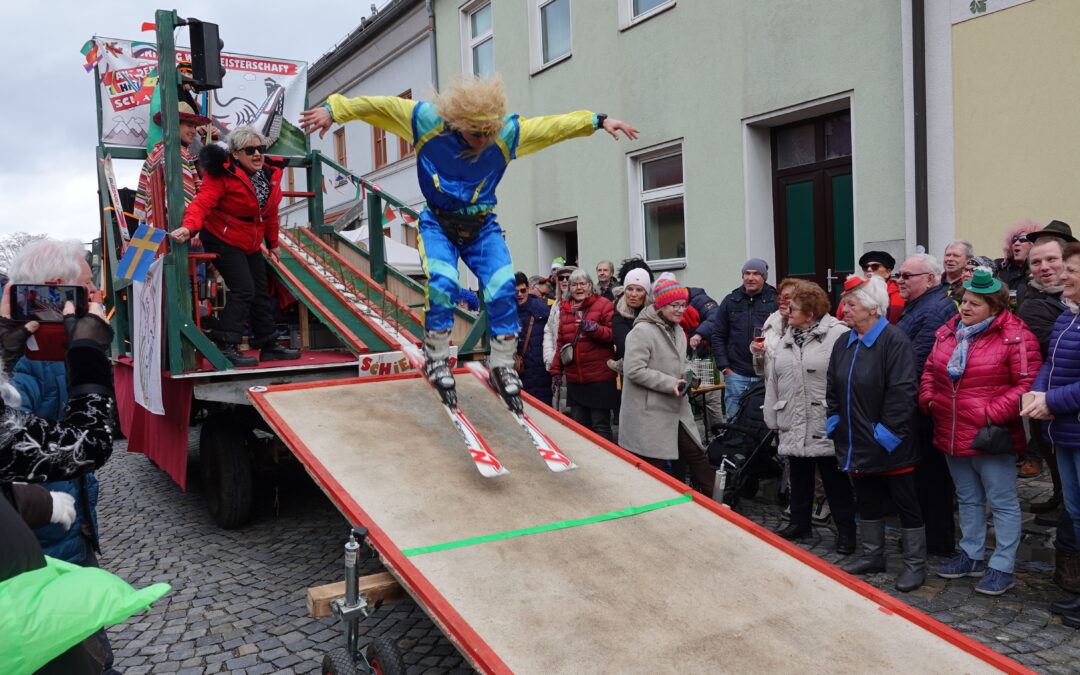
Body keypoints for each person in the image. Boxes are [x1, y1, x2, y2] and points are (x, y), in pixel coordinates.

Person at [299, 76, 638, 413]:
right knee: (444, 281)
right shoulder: (427, 121)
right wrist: (334, 110)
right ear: (458, 124)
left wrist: (597, 121)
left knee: (503, 285)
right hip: (438, 224)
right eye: (476, 134)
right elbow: (379, 107)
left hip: (481, 226)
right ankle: (436, 357)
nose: (483, 140)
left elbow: (552, 127)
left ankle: (502, 364)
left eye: (489, 133)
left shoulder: (505, 133)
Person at [0, 296, 120, 673]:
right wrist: (88, 352)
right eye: (82, 292)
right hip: (37, 562)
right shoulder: (31, 366)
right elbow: (88, 444)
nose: (93, 300)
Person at [920, 270, 1040, 595]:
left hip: (991, 434)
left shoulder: (1015, 335)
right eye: (964, 302)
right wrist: (929, 399)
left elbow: (1027, 384)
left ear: (995, 307)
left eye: (975, 303)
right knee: (968, 498)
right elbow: (930, 369)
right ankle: (971, 555)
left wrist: (989, 413)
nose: (965, 308)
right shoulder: (949, 331)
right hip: (950, 427)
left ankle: (1002, 565)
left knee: (1002, 502)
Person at [827, 275, 925, 592]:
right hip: (855, 438)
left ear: (872, 308)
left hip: (889, 443)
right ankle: (872, 556)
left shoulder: (894, 341)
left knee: (906, 502)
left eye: (851, 304)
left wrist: (886, 434)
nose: (844, 309)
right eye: (845, 304)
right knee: (866, 499)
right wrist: (834, 420)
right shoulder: (844, 341)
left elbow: (903, 392)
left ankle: (915, 565)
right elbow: (832, 387)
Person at [170, 126, 299, 367]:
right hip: (222, 236)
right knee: (244, 289)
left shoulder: (270, 174)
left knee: (260, 290)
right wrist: (189, 227)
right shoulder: (222, 174)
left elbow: (270, 213)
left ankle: (268, 344)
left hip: (250, 240)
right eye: (250, 150)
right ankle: (225, 344)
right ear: (236, 154)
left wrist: (273, 243)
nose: (257, 154)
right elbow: (202, 203)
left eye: (260, 149)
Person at [764, 283, 855, 553]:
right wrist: (773, 418)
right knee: (799, 476)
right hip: (793, 416)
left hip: (825, 419)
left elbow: (847, 378)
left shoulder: (838, 334)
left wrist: (843, 416)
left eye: (793, 308)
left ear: (810, 314)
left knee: (834, 480)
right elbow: (774, 379)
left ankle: (846, 532)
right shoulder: (788, 335)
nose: (787, 311)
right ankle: (799, 523)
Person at [1022, 240, 1080, 626]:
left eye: (1071, 270)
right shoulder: (1067, 316)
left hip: (1071, 424)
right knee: (1076, 513)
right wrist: (1038, 392)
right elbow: (1050, 362)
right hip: (1065, 432)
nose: (1062, 274)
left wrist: (1051, 401)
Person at [619, 278, 714, 495]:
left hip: (676, 408)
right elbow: (634, 370)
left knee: (697, 455)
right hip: (650, 412)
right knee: (654, 467)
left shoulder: (678, 330)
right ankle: (653, 507)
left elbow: (681, 361)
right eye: (675, 305)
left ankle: (717, 505)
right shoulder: (642, 331)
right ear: (661, 305)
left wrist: (689, 374)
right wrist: (670, 383)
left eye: (683, 305)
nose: (681, 310)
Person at [895, 252, 960, 555]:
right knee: (922, 476)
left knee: (932, 477)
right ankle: (927, 537)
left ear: (930, 279)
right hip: (917, 401)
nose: (900, 280)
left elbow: (917, 360)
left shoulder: (935, 308)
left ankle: (936, 540)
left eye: (907, 276)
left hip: (924, 404)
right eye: (899, 275)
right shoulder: (919, 305)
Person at [1017, 226, 1075, 517]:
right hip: (1050, 396)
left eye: (1052, 259)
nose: (1044, 267)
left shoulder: (1068, 302)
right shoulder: (1033, 304)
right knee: (1057, 460)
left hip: (1064, 396)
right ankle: (1062, 504)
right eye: (1036, 262)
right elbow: (1052, 352)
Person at [549, 269, 617, 440]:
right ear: (569, 288)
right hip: (576, 380)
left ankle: (605, 456)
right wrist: (556, 371)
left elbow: (613, 335)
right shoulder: (565, 309)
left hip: (599, 378)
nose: (578, 288)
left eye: (582, 284)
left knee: (600, 425)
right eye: (574, 285)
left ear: (590, 286)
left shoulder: (604, 304)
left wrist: (595, 329)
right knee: (580, 427)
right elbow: (561, 343)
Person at [712, 258, 778, 420]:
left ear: (764, 277)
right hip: (736, 374)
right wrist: (725, 368)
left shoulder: (775, 301)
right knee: (734, 421)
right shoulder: (731, 300)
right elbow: (718, 335)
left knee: (765, 422)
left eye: (756, 274)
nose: (750, 278)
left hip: (767, 374)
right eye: (747, 273)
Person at [133, 101, 208, 229]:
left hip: (157, 225)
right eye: (190, 126)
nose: (194, 131)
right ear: (174, 125)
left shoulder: (155, 153)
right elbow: (182, 198)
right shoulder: (177, 152)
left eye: (195, 127)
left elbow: (143, 197)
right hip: (177, 226)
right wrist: (190, 226)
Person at [751, 278, 807, 378]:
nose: (781, 301)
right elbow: (765, 350)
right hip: (772, 383)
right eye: (780, 297)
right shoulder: (772, 320)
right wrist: (756, 349)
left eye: (786, 297)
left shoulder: (808, 325)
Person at [514, 272, 551, 405]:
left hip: (540, 370)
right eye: (515, 291)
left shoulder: (541, 310)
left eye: (523, 290)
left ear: (528, 289)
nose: (519, 294)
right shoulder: (506, 312)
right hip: (517, 370)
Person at [837, 251, 905, 324]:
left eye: (875, 266)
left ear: (888, 272)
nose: (869, 269)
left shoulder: (899, 294)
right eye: (865, 267)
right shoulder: (853, 291)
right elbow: (841, 316)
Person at [612, 267, 652, 365]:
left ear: (646, 293)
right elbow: (624, 347)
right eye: (629, 289)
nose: (633, 294)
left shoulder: (654, 314)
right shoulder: (619, 316)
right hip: (631, 367)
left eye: (639, 290)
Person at [996, 219, 1042, 293]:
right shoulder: (1000, 267)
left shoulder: (1039, 270)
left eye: (1022, 239)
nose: (1016, 243)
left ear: (1034, 244)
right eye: (1014, 240)